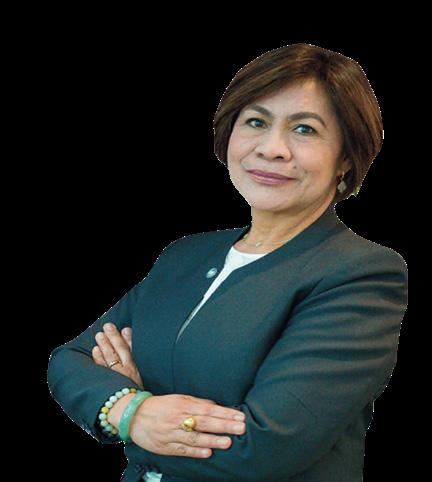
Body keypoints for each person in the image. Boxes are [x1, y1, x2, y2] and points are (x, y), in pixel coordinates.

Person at [47, 43, 408, 482]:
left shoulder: (359, 273)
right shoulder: (184, 256)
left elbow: (264, 447)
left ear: (346, 158)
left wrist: (130, 420)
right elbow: (70, 360)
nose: (272, 148)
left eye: (305, 129)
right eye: (256, 122)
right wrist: (131, 409)